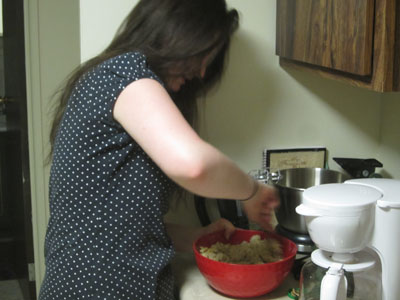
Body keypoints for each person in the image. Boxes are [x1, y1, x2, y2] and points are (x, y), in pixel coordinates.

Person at [39, 0, 279, 299]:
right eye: (202, 54)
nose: (202, 71)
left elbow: (123, 223)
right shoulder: (124, 74)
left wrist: (195, 237)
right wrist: (252, 192)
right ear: (174, 33)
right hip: (96, 290)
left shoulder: (118, 79)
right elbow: (194, 166)